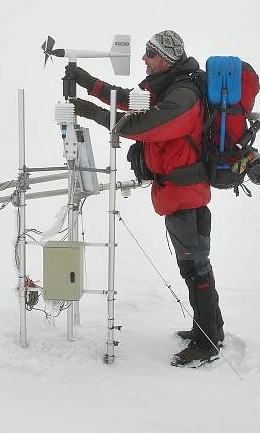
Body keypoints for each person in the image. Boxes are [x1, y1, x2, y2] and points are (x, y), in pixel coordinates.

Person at [69, 30, 225, 366]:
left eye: (150, 54)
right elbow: (129, 100)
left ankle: (207, 342)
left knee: (195, 267)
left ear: (167, 58)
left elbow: (143, 126)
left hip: (185, 192)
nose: (144, 59)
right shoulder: (166, 85)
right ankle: (211, 328)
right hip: (176, 191)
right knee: (193, 264)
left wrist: (92, 112)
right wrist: (89, 83)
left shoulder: (183, 95)